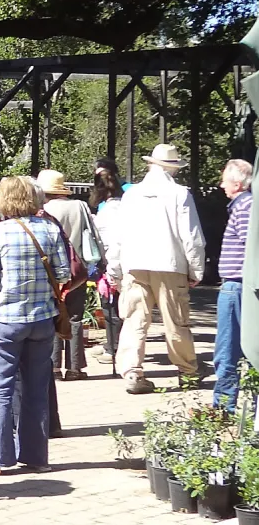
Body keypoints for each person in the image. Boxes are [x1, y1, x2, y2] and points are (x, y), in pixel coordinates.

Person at [0, 176, 71, 476]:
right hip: (42, 319)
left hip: (5, 320)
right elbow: (63, 273)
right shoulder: (50, 229)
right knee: (36, 390)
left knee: (1, 391)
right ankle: (36, 458)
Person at [104, 143, 208, 394]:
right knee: (176, 322)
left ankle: (132, 372)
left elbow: (118, 236)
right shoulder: (180, 194)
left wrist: (114, 269)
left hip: (134, 265)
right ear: (172, 168)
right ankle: (187, 371)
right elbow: (191, 237)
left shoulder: (132, 194)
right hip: (170, 265)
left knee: (133, 320)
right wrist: (196, 270)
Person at [37, 169, 99, 380]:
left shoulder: (40, 209)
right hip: (77, 270)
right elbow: (94, 236)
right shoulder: (80, 206)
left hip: (50, 271)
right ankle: (75, 369)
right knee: (75, 317)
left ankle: (53, 368)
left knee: (52, 316)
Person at [215, 159, 253, 411]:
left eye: (225, 181)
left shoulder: (246, 206)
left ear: (237, 184)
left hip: (237, 286)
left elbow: (252, 246)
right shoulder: (245, 205)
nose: (221, 185)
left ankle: (223, 410)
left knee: (227, 352)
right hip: (238, 286)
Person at [89, 161, 126, 363]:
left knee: (111, 309)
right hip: (130, 266)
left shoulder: (105, 215)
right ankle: (114, 346)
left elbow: (107, 245)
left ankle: (114, 350)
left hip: (113, 266)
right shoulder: (128, 207)